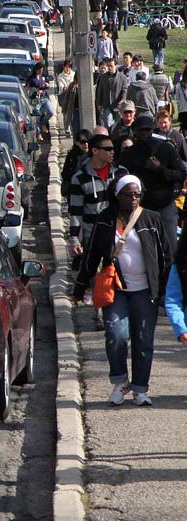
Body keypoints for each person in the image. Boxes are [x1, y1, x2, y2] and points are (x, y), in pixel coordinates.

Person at [74, 175, 168, 406]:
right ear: (117, 196)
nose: (134, 198)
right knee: (116, 335)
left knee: (143, 340)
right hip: (116, 289)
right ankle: (120, 381)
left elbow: (165, 255)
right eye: (128, 194)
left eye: (137, 194)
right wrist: (81, 285)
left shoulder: (152, 219)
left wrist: (166, 290)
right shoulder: (105, 219)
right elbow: (92, 253)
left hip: (146, 291)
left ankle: (140, 389)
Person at [118, 115, 186, 256]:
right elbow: (119, 181)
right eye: (141, 130)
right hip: (140, 209)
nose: (144, 134)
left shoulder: (166, 148)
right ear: (134, 131)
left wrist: (160, 169)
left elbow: (181, 174)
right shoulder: (129, 154)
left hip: (165, 206)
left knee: (171, 250)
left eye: (148, 130)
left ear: (153, 130)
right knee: (146, 252)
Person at [68, 133, 123, 270]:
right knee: (96, 277)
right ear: (95, 151)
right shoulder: (79, 178)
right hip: (92, 235)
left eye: (113, 148)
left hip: (119, 234)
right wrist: (74, 238)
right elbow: (76, 211)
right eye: (108, 149)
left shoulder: (121, 173)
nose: (112, 152)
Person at [95, 58, 128, 129]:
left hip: (118, 105)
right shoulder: (103, 77)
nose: (109, 68)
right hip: (106, 104)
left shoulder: (122, 77)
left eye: (111, 66)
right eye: (108, 66)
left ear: (116, 66)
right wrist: (99, 103)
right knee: (108, 123)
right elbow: (100, 91)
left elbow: (124, 90)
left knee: (119, 124)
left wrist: (122, 101)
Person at [62, 129, 93, 195]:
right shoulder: (72, 156)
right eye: (83, 142)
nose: (86, 144)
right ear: (77, 142)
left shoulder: (94, 155)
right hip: (75, 189)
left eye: (88, 141)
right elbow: (65, 173)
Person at [27, 62, 52, 137]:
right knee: (37, 117)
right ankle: (38, 134)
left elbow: (47, 84)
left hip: (44, 98)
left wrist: (47, 85)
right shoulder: (31, 78)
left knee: (50, 112)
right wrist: (36, 90)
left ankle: (43, 124)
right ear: (36, 70)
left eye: (42, 70)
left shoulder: (43, 77)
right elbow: (28, 89)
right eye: (39, 70)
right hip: (36, 99)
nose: (40, 72)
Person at [57, 59, 77, 135]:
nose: (67, 68)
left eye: (69, 67)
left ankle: (71, 128)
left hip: (72, 97)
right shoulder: (60, 76)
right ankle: (67, 129)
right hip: (64, 96)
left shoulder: (74, 74)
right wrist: (68, 88)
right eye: (66, 67)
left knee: (72, 113)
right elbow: (62, 87)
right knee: (65, 113)